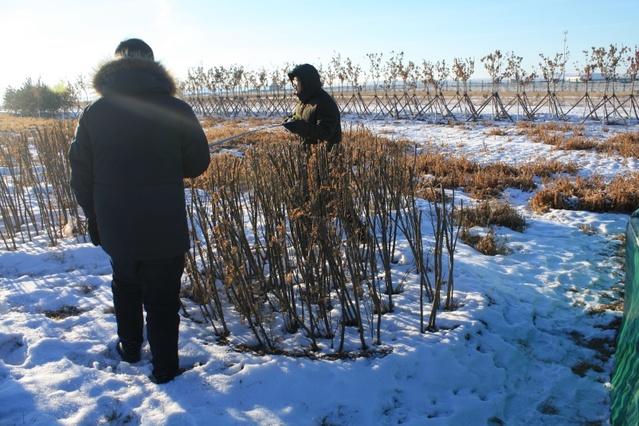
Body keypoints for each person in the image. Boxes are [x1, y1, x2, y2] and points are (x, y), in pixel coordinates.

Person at [69, 38, 210, 384]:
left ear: (117, 66)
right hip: (164, 225)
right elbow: (197, 164)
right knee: (163, 298)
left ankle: (130, 347)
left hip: (116, 226)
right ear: (153, 64)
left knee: (125, 286)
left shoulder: (95, 112)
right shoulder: (176, 109)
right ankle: (164, 368)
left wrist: (94, 215)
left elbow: (79, 173)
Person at [283, 64, 342, 151]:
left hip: (325, 157)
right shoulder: (304, 100)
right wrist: (289, 121)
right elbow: (297, 116)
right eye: (293, 82)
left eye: (296, 82)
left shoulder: (324, 102)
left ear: (306, 82)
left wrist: (299, 127)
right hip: (309, 154)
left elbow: (325, 132)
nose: (294, 85)